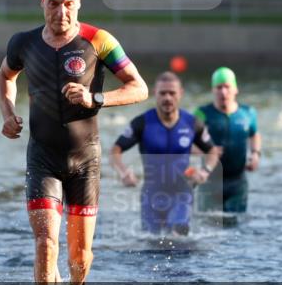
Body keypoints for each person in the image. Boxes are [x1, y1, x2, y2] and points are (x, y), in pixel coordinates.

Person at [0, 0, 147, 285]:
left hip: (85, 161)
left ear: (78, 2)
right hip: (43, 157)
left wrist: (96, 99)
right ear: (42, 2)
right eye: (53, 4)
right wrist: (7, 112)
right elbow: (5, 75)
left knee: (79, 258)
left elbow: (138, 87)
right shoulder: (24, 42)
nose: (60, 13)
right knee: (46, 242)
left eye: (67, 4)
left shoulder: (99, 40)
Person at [110, 72, 220, 236]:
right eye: (163, 93)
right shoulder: (142, 123)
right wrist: (123, 172)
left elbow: (212, 151)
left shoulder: (192, 123)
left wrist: (205, 171)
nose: (167, 97)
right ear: (155, 93)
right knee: (152, 244)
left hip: (182, 194)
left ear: (180, 93)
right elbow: (115, 151)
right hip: (151, 196)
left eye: (172, 93)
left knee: (178, 238)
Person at [194, 67, 261, 215]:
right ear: (213, 90)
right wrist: (208, 151)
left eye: (227, 87)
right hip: (210, 182)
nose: (223, 92)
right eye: (219, 87)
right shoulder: (202, 114)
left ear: (235, 89)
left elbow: (254, 134)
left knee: (235, 227)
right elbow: (187, 144)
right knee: (208, 229)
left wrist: (256, 154)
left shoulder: (248, 113)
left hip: (238, 182)